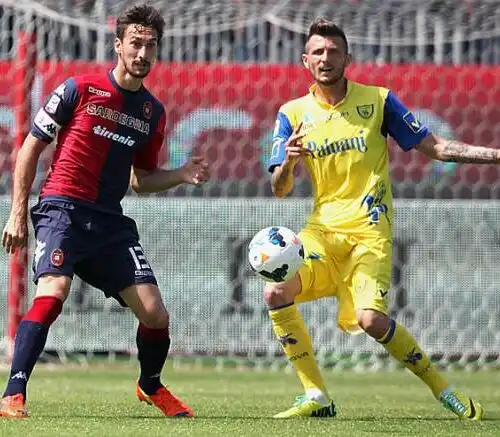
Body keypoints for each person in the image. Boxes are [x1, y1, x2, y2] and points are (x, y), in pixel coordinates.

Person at [266, 17, 491, 419]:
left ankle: (444, 390)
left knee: (371, 320)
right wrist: (288, 162)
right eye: (318, 51)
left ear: (347, 57)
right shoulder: (291, 114)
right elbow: (279, 188)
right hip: (321, 234)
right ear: (305, 61)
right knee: (275, 291)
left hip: (369, 234)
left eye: (334, 51)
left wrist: (494, 155)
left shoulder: (378, 100)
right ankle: (316, 394)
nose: (326, 58)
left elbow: (435, 146)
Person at [0, 4, 208, 418]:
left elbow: (140, 181)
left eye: (151, 45)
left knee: (155, 313)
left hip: (110, 223)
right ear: (118, 45)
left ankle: (150, 385)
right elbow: (29, 148)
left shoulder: (152, 113)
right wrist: (16, 211)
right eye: (136, 43)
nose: (143, 53)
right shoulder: (80, 89)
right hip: (62, 210)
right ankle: (12, 393)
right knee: (54, 292)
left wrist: (181, 174)